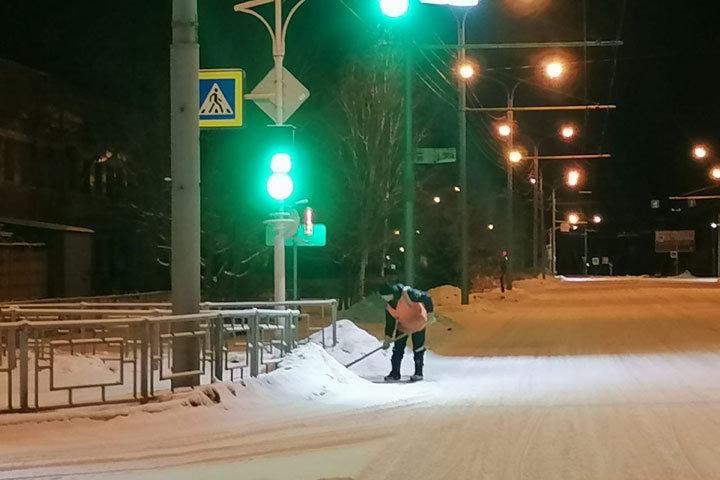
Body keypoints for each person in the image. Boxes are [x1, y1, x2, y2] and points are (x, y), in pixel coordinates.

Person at [378, 283, 435, 382]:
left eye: (387, 297)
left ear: (392, 293)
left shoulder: (407, 293)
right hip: (403, 326)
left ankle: (418, 373)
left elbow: (427, 297)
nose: (386, 299)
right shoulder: (389, 307)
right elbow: (390, 323)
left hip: (418, 323)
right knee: (397, 350)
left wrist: (430, 314)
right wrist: (387, 338)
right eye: (384, 298)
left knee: (418, 349)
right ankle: (395, 373)